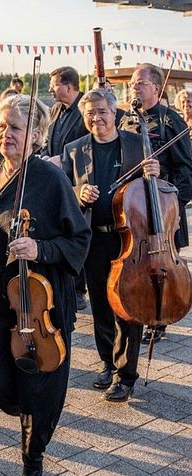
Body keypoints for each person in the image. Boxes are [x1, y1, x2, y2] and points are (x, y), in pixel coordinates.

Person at [0, 94, 90, 476]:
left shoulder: (50, 179)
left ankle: (32, 459)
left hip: (40, 302)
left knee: (39, 386)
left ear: (36, 135)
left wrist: (40, 248)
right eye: (2, 126)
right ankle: (30, 418)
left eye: (15, 127)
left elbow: (79, 240)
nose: (6, 134)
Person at [63, 89, 160, 402]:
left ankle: (125, 374)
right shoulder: (74, 149)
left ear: (115, 112)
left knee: (128, 307)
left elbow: (158, 189)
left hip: (128, 239)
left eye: (102, 111)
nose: (96, 118)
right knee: (102, 305)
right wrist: (78, 193)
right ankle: (107, 361)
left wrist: (155, 174)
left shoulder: (136, 144)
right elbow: (64, 190)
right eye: (90, 113)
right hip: (94, 239)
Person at [118, 63, 192, 344]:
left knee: (161, 269)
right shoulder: (125, 121)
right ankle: (135, 308)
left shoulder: (172, 122)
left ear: (156, 89)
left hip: (161, 212)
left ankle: (159, 315)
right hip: (131, 211)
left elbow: (187, 172)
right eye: (132, 84)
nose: (133, 87)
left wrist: (168, 207)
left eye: (140, 83)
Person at [43, 66, 90, 311]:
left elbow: (88, 143)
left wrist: (63, 160)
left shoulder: (84, 109)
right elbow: (48, 140)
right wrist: (44, 156)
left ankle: (78, 288)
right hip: (55, 179)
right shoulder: (55, 110)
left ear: (69, 86)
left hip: (77, 181)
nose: (50, 89)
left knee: (76, 231)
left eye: (54, 84)